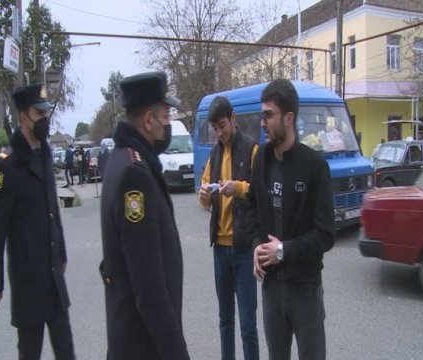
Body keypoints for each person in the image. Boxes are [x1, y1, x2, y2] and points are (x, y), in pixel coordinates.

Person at [99, 71, 190, 360]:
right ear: (148, 121)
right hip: (142, 346)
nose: (168, 126)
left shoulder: (122, 160)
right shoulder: (134, 176)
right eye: (165, 117)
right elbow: (149, 290)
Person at [0, 84, 76, 359]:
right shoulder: (8, 164)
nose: (45, 119)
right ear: (24, 117)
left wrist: (61, 253)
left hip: (52, 272)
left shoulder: (45, 153)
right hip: (28, 278)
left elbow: (53, 211)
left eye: (46, 113)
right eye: (39, 113)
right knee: (30, 351)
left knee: (65, 348)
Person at [247, 79, 335, 360]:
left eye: (268, 115)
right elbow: (252, 208)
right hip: (272, 288)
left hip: (305, 288)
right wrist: (256, 246)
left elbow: (325, 235)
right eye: (262, 115)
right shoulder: (261, 159)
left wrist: (283, 250)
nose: (263, 122)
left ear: (289, 118)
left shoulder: (314, 166)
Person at [199, 96, 259, 360]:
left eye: (222, 126)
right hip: (220, 250)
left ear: (233, 118)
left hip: (244, 249)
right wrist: (203, 196)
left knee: (247, 326)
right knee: (225, 321)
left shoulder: (251, 149)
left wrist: (239, 188)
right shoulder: (214, 154)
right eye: (215, 129)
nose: (220, 133)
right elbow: (206, 200)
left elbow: (261, 193)